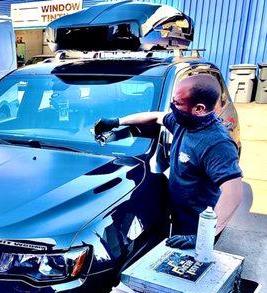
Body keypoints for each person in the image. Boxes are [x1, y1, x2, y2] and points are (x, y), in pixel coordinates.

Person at [94, 74, 243, 249]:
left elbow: (234, 194)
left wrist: (203, 235)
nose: (173, 107)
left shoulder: (217, 144)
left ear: (199, 109)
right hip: (180, 216)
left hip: (198, 226)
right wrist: (117, 122)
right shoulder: (184, 121)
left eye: (178, 103)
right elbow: (156, 117)